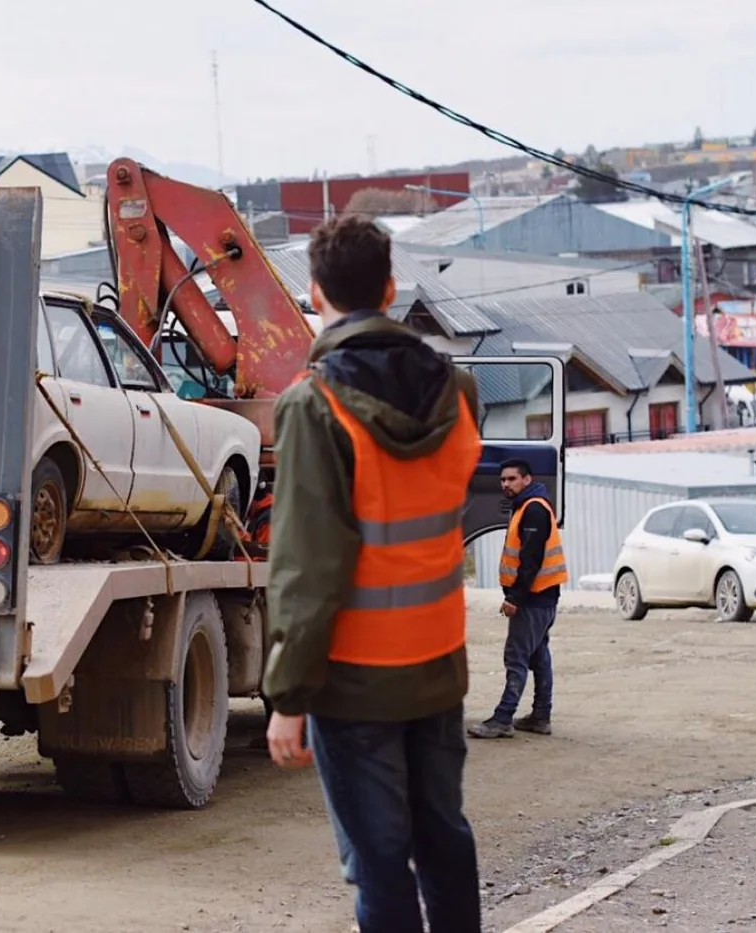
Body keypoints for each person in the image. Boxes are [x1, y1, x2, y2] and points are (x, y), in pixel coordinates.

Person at [263, 214, 484, 933]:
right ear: (390, 287)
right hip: (438, 662)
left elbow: (307, 565)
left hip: (356, 679)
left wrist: (287, 694)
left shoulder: (313, 404)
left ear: (316, 293)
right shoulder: (454, 391)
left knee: (380, 859)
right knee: (442, 837)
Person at [468, 458, 568, 739]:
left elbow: (531, 560)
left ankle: (502, 719)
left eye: (511, 479)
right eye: (502, 480)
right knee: (538, 655)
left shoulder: (533, 509)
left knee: (516, 656)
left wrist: (515, 597)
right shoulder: (528, 506)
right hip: (544, 596)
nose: (505, 484)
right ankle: (540, 715)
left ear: (527, 479)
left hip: (534, 597)